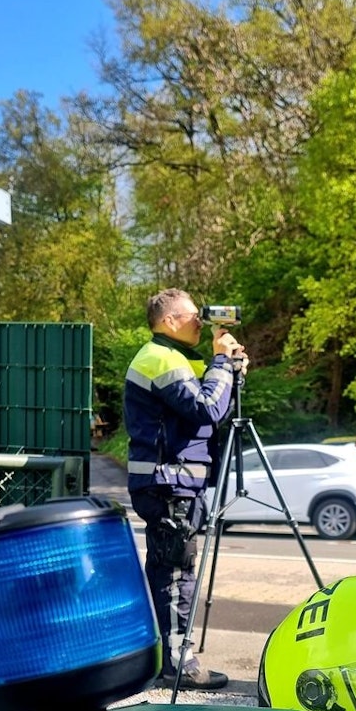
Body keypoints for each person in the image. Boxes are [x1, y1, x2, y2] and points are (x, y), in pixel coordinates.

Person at [124, 287, 247, 690]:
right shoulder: (160, 359)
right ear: (169, 320)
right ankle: (179, 665)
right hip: (168, 483)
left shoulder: (175, 358)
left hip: (174, 482)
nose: (200, 322)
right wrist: (221, 362)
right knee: (176, 573)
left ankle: (167, 658)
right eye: (194, 315)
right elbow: (206, 409)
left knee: (171, 569)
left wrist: (231, 370)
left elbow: (215, 409)